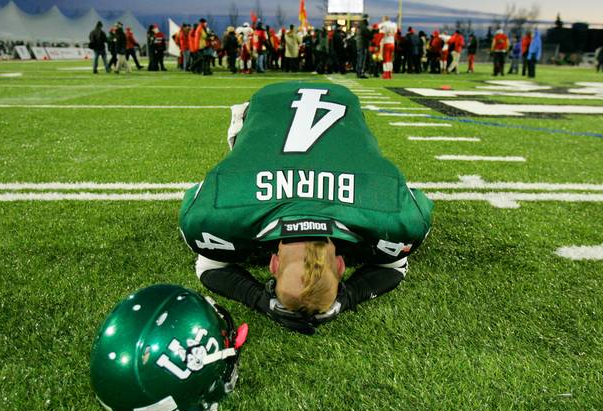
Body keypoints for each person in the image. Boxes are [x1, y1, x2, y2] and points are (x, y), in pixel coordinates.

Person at [179, 82, 434, 334]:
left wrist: (262, 301)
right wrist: (345, 300)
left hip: (300, 99)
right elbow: (208, 266)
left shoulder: (395, 220)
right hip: (289, 101)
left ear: (273, 265)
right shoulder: (216, 217)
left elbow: (209, 267)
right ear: (274, 265)